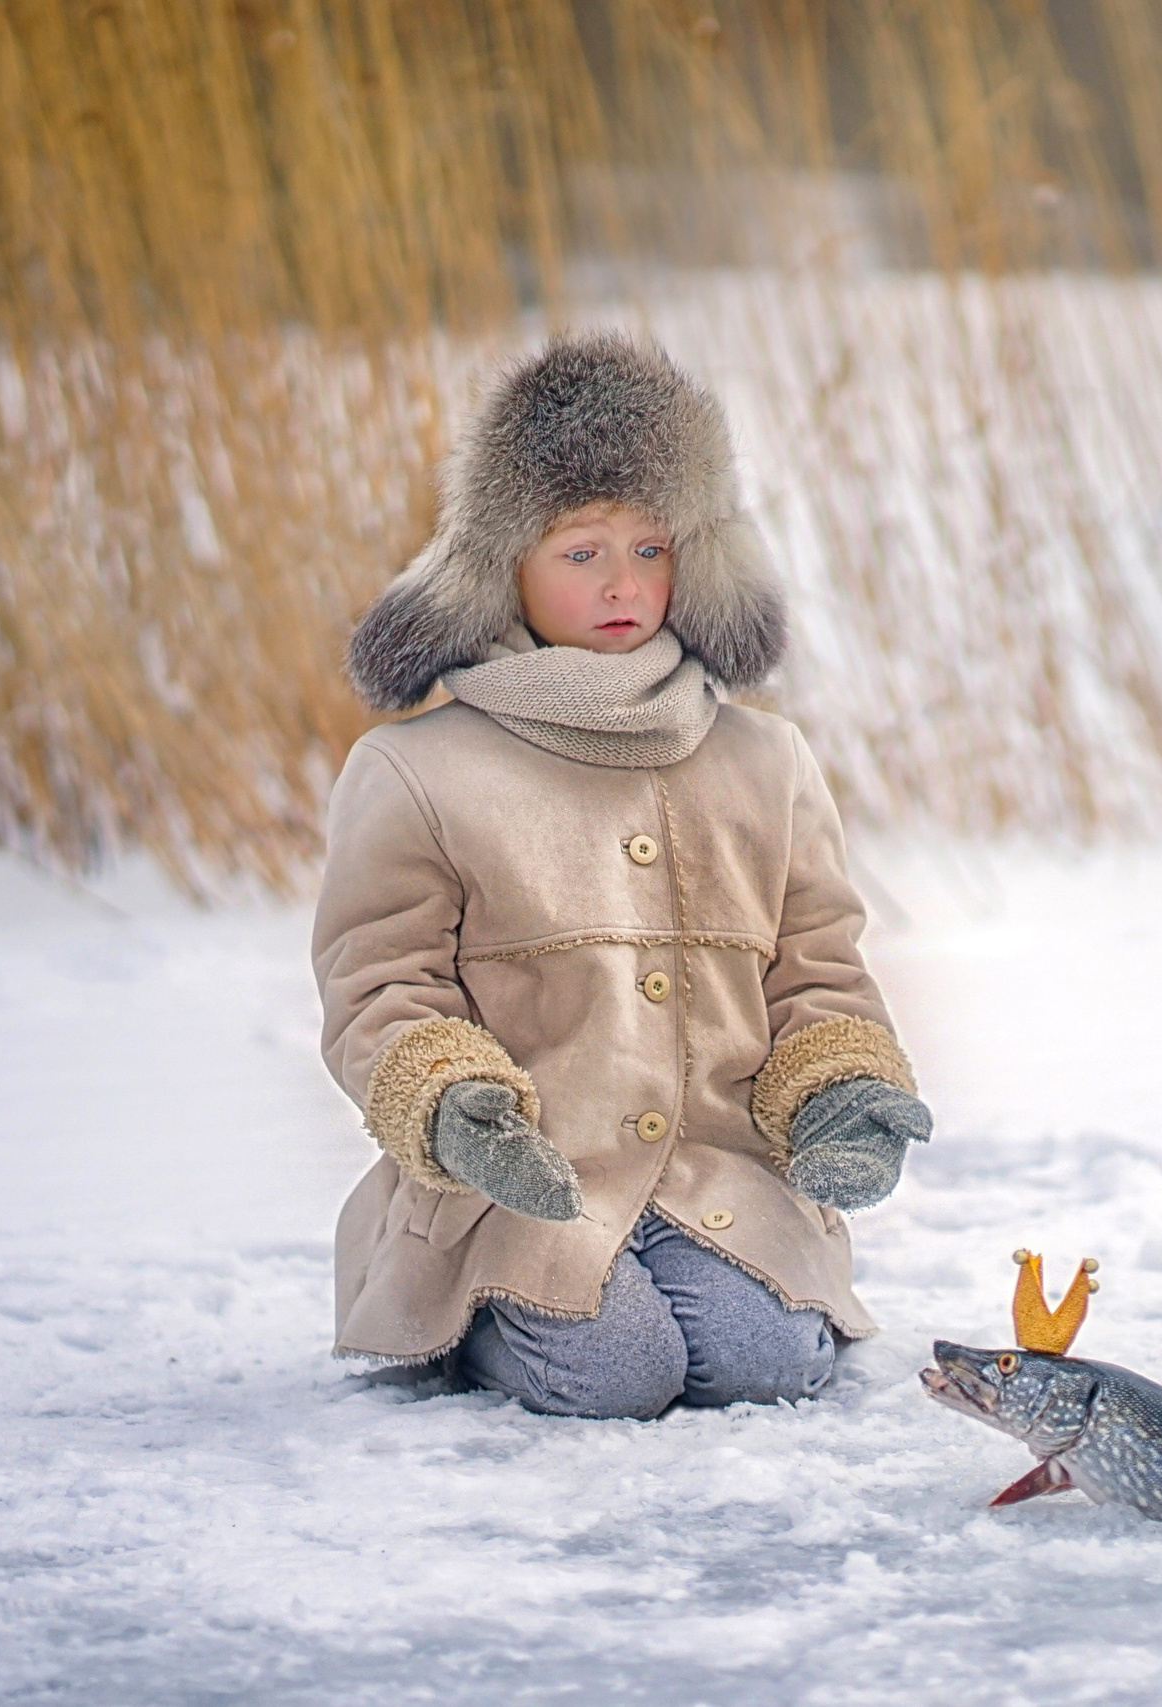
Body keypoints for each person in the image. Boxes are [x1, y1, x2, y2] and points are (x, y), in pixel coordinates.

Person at [312, 332, 930, 1418]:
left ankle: (700, 1279)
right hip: (519, 1189)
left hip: (712, 1175)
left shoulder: (762, 761)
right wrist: (455, 1109)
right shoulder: (414, 770)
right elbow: (381, 986)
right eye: (581, 551)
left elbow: (818, 967)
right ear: (502, 563)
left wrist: (843, 1092)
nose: (622, 585)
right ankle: (473, 1322)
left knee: (766, 1362)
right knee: (614, 1372)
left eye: (652, 550)